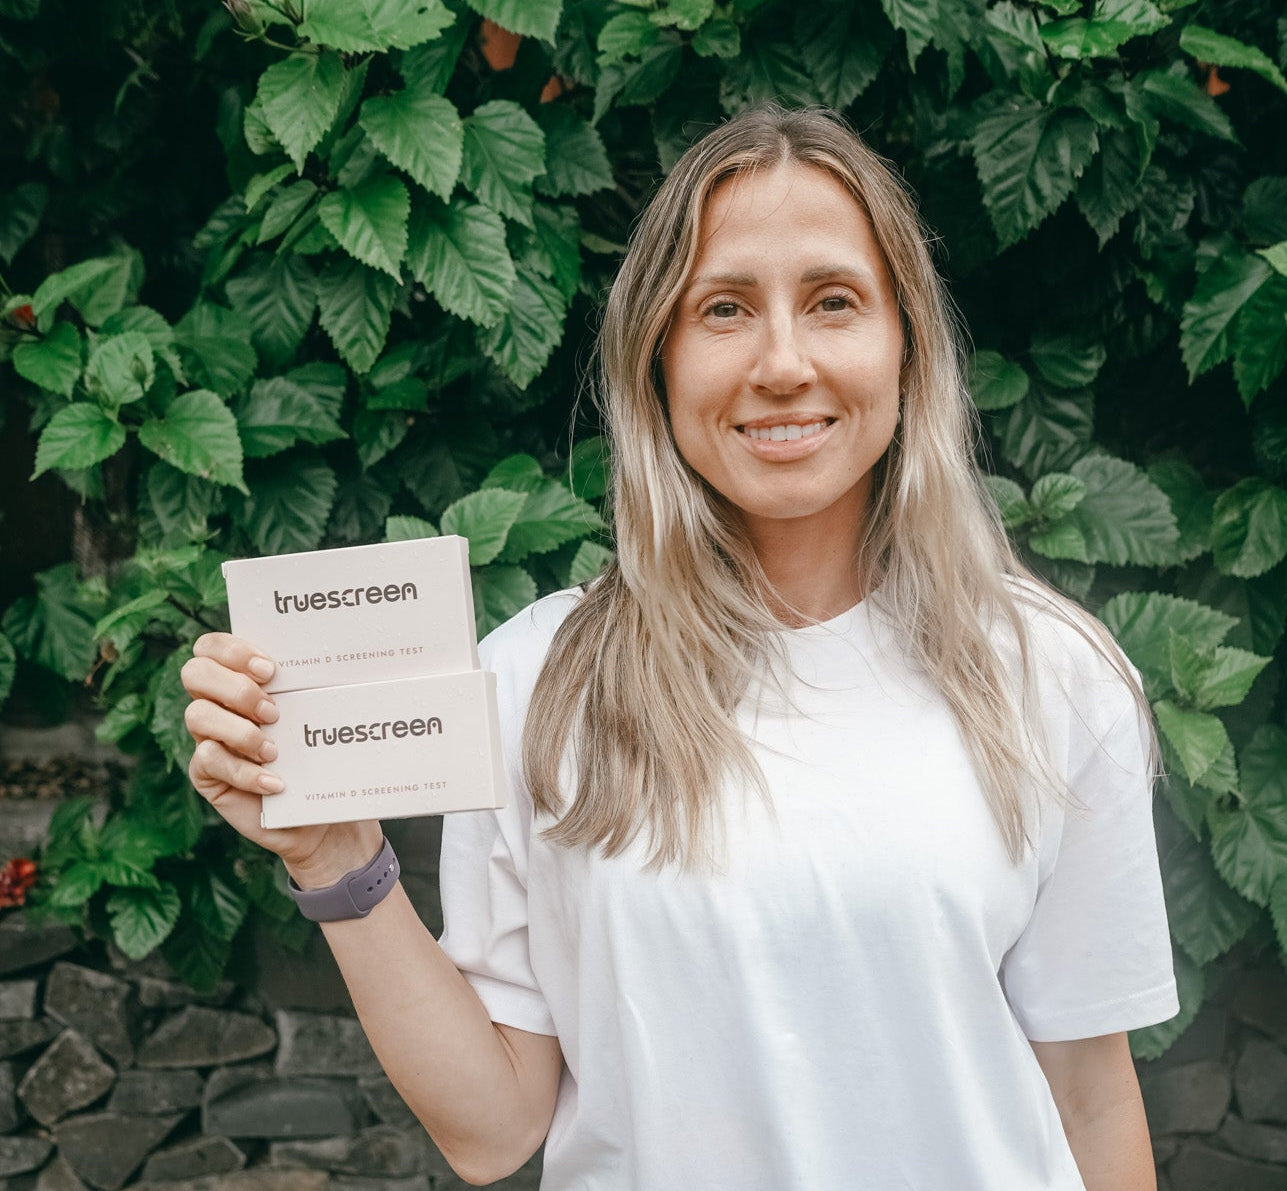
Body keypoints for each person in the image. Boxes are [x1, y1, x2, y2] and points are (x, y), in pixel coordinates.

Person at [181, 106, 1178, 1190]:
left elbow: (1089, 1096)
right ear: (656, 358)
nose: (784, 362)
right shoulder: (531, 681)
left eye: (834, 302)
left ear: (908, 347)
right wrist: (337, 864)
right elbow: (492, 1130)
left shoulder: (1054, 677)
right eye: (725, 309)